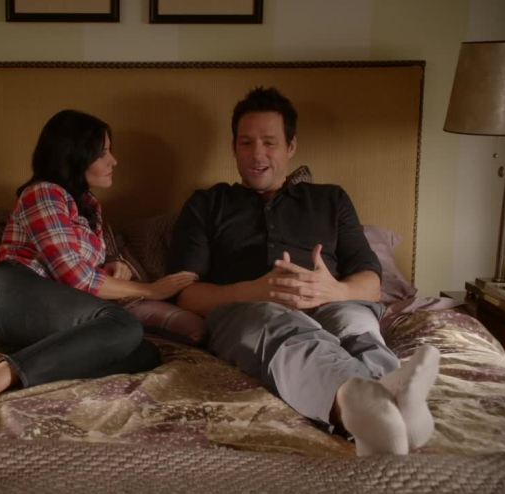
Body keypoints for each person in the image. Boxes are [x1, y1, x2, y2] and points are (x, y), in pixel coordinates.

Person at [167, 87, 439, 456]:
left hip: (334, 303)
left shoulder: (331, 200)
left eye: (269, 142)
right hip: (248, 312)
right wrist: (256, 290)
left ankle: (387, 407)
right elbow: (186, 294)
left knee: (356, 324)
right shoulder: (207, 204)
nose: (257, 154)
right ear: (234, 147)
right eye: (246, 143)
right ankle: (371, 406)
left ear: (291, 146)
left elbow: (371, 284)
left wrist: (334, 291)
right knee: (278, 326)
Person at [0, 109, 198, 423]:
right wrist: (150, 290)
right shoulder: (44, 193)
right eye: (103, 152)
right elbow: (76, 278)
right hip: (3, 298)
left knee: (144, 354)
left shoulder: (89, 207)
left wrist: (113, 265)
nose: (113, 161)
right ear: (75, 156)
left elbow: (83, 270)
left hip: (38, 326)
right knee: (123, 324)